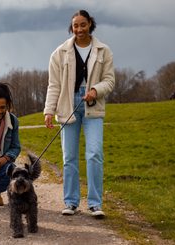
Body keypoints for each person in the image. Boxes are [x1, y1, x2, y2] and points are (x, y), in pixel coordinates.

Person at [44, 10, 115, 218]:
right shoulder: (59, 53)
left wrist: (95, 91)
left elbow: (110, 81)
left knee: (94, 154)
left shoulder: (104, 51)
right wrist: (49, 110)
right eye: (75, 25)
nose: (79, 29)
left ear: (90, 24)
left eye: (83, 25)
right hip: (68, 104)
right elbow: (54, 85)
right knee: (69, 156)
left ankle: (95, 204)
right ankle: (71, 202)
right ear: (71, 27)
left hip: (93, 104)